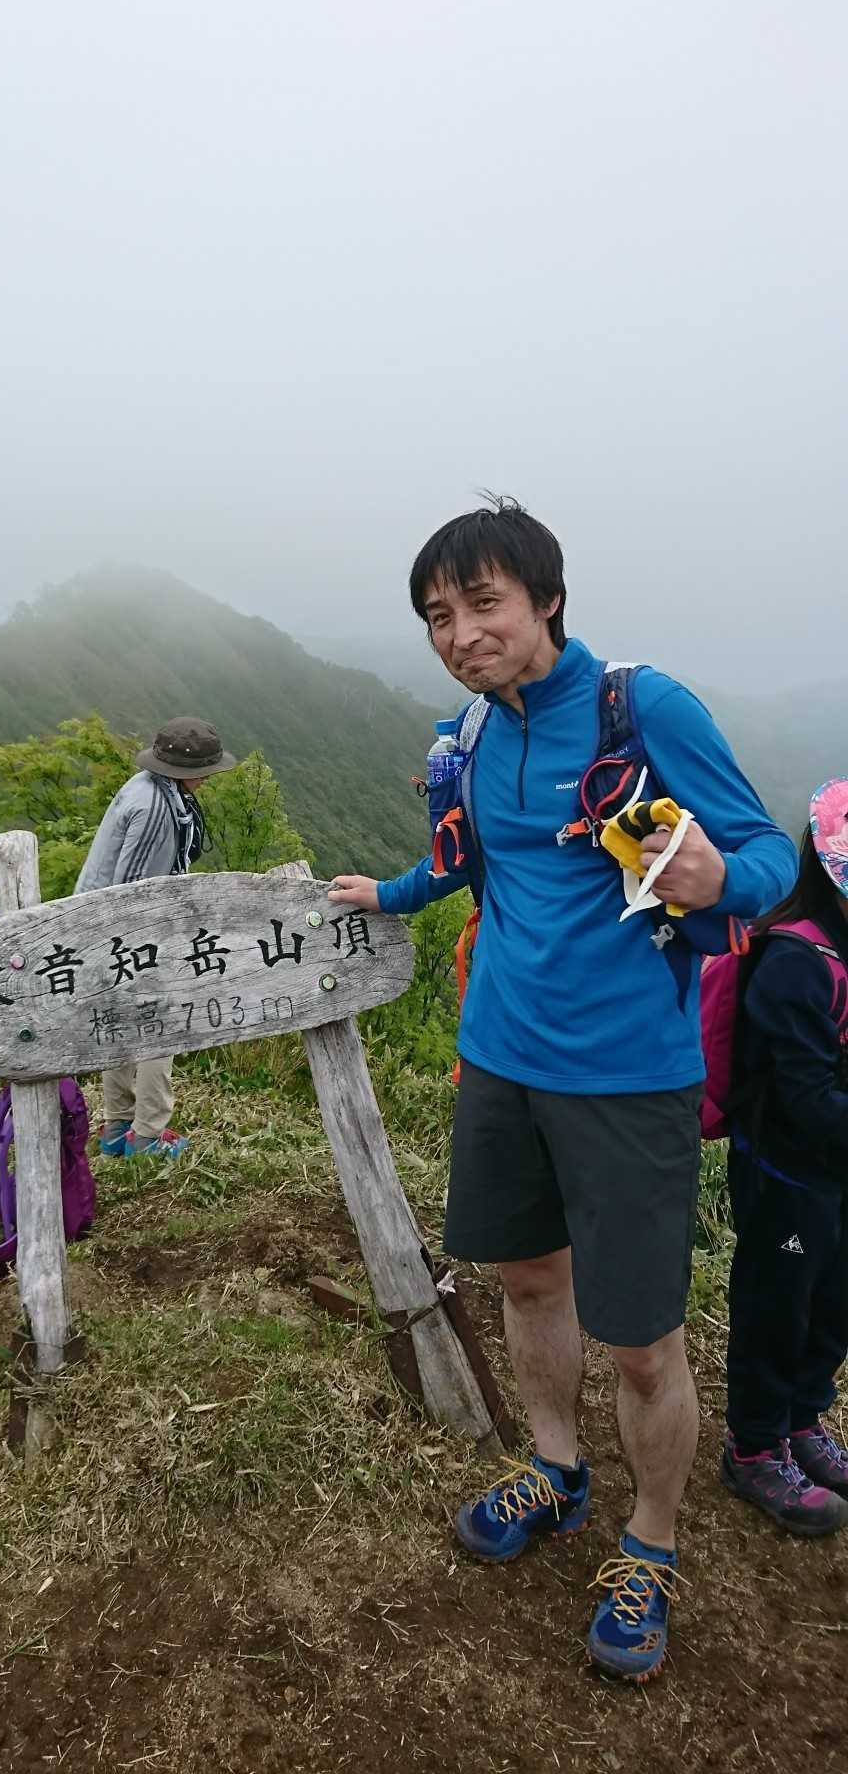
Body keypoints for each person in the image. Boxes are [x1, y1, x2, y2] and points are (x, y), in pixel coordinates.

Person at [329, 497, 796, 1682]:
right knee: (528, 1281)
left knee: (640, 1341)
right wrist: (388, 894)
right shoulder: (475, 734)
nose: (461, 634)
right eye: (439, 616)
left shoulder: (644, 709)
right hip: (500, 1061)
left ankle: (652, 1543)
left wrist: (717, 877)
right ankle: (555, 1467)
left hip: (629, 1078)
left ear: (546, 600)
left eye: (483, 603)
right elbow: (472, 859)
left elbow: (769, 856)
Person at [720, 782, 848, 1535]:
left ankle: (802, 1421)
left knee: (832, 1305)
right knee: (776, 1307)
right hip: (785, 1175)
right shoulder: (796, 960)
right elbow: (805, 1101)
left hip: (834, 1174)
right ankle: (754, 1446)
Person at [74, 716, 236, 1159]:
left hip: (101, 928)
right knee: (159, 1025)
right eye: (204, 769)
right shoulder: (156, 810)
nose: (207, 777)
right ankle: (146, 1135)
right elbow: (133, 892)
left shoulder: (149, 787)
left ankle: (117, 1127)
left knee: (119, 1020)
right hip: (128, 934)